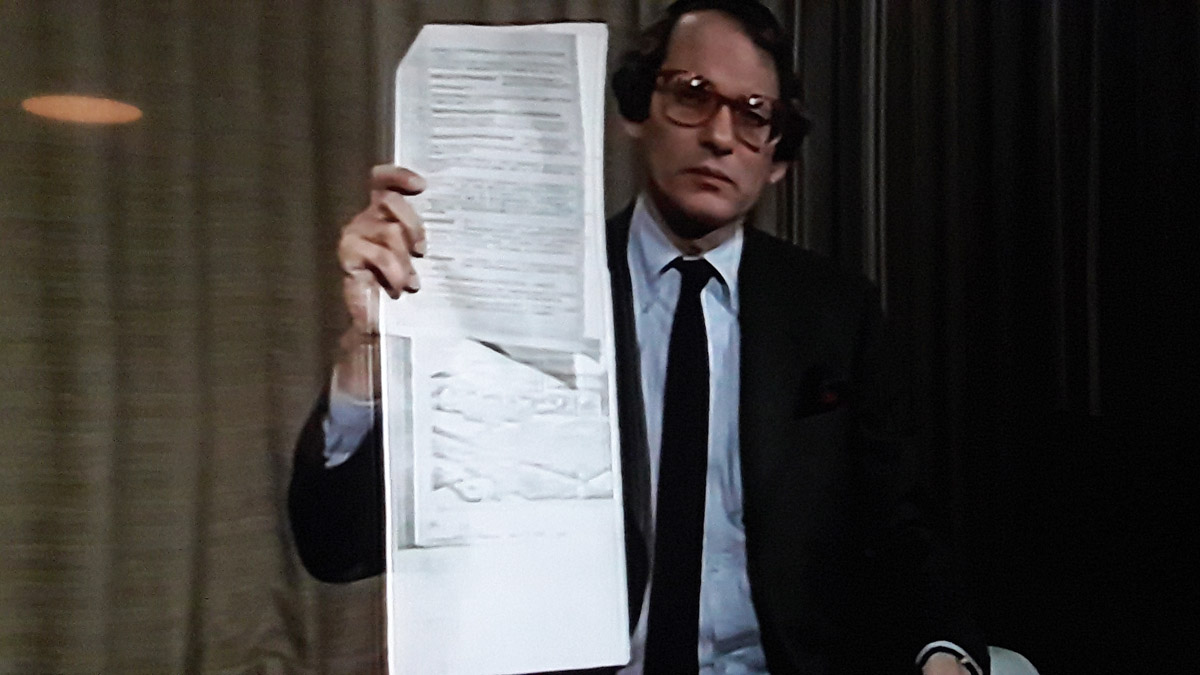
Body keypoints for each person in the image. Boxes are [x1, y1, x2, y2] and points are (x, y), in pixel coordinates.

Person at [289, 1, 989, 673]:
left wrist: (944, 650)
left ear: (778, 157)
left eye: (753, 115)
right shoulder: (524, 294)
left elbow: (899, 528)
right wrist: (366, 358)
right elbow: (339, 545)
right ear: (635, 111)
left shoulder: (836, 312)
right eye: (692, 95)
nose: (719, 136)